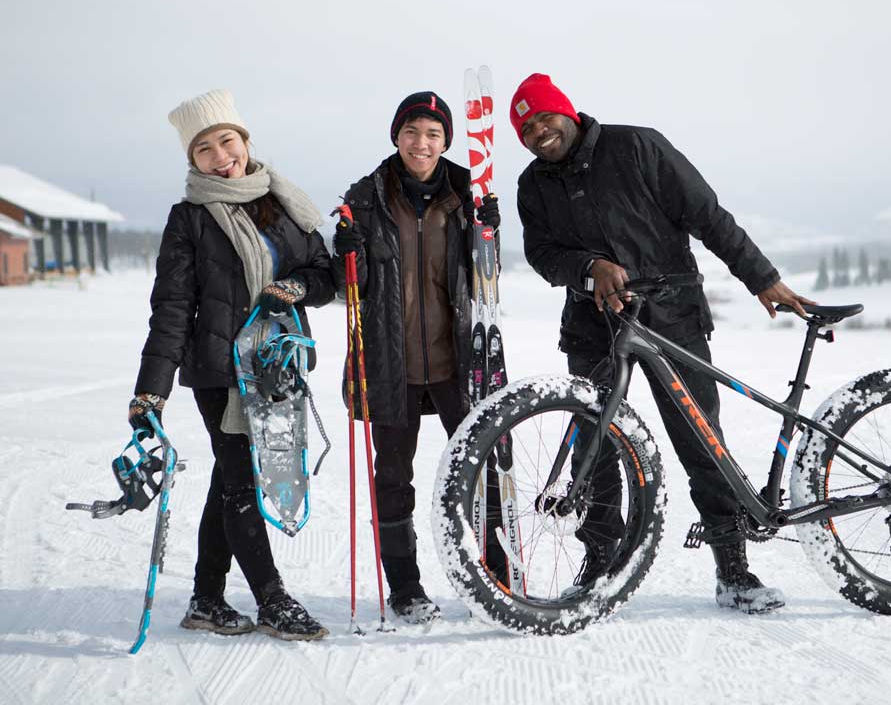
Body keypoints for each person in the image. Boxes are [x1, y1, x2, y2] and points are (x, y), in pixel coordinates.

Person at [511, 73, 816, 614]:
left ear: (568, 111)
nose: (539, 131)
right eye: (527, 128)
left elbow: (706, 215)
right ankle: (600, 564)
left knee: (701, 439)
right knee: (595, 444)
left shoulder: (637, 146)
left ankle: (734, 571)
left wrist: (761, 277)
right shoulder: (533, 185)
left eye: (544, 118)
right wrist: (589, 267)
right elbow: (542, 255)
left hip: (671, 316)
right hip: (594, 324)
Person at [130, 89, 334, 641]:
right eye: (204, 149)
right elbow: (171, 309)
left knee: (230, 476)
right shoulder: (189, 219)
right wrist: (151, 391)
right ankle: (271, 599)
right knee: (243, 479)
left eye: (227, 141)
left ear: (244, 141)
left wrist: (296, 286)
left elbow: (325, 273)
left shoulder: (281, 204)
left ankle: (206, 597)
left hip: (275, 365)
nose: (221, 157)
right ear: (191, 160)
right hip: (220, 371)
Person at [331, 91, 502, 624]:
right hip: (392, 361)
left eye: (432, 134)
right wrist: (345, 251)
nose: (421, 143)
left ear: (446, 140)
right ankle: (405, 587)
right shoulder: (365, 198)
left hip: (460, 359)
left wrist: (490, 228)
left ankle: (496, 574)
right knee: (393, 477)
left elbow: (487, 276)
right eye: (412, 132)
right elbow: (344, 286)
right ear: (396, 138)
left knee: (484, 469)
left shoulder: (468, 195)